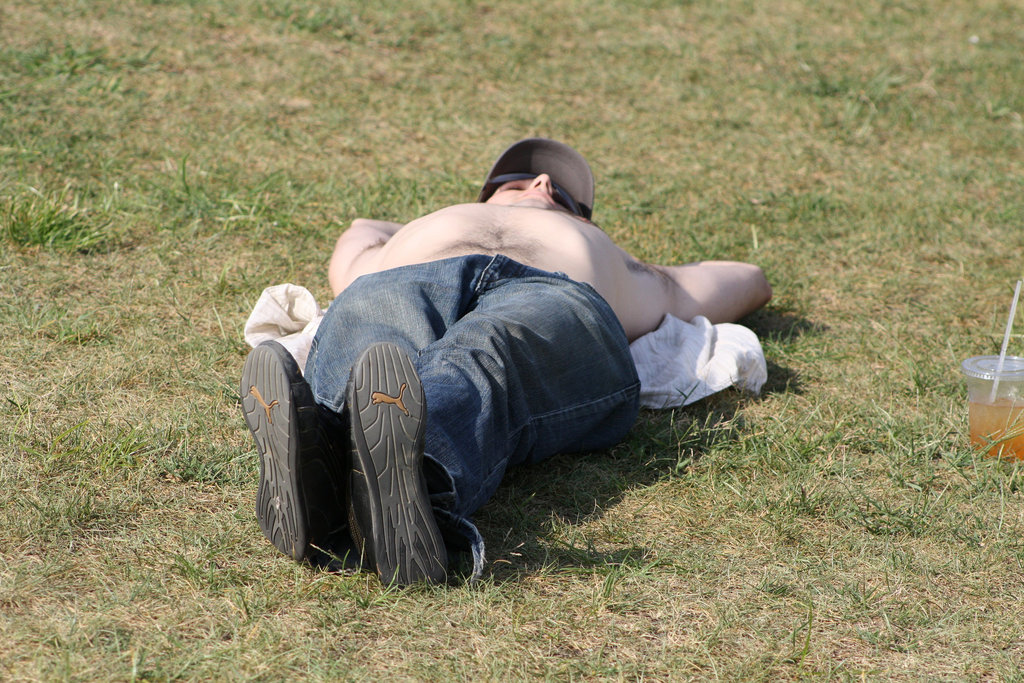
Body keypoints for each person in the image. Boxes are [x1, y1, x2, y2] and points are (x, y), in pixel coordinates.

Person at [240, 138, 771, 586]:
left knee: (486, 351)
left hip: (557, 296)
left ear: (579, 216)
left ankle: (397, 478)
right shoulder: (415, 236)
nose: (542, 185)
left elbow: (748, 277)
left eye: (561, 193)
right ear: (487, 193)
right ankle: (329, 476)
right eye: (520, 179)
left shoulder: (634, 271)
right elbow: (360, 231)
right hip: (406, 279)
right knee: (372, 322)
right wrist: (432, 226)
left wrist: (632, 261)